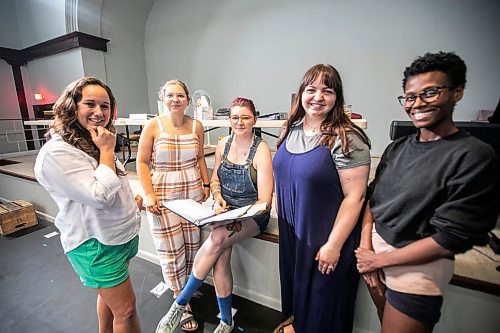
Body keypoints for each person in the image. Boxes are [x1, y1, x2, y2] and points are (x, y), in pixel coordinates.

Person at [355, 52, 500, 333]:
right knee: (385, 321)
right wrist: (365, 249)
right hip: (374, 253)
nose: (417, 103)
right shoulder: (397, 148)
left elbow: (450, 238)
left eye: (429, 93)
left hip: (417, 263)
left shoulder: (473, 156)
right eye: (410, 96)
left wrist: (379, 260)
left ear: (457, 92)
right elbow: (373, 198)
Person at [155, 97, 274, 333]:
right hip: (224, 211)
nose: (240, 122)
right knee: (220, 256)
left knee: (217, 239)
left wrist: (238, 217)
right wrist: (217, 198)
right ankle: (226, 321)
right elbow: (216, 179)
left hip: (253, 215)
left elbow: (265, 201)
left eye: (245, 117)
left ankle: (179, 305)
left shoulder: (261, 149)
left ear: (254, 120)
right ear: (229, 119)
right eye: (235, 117)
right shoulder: (223, 144)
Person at [34, 77, 142, 333]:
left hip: (119, 235)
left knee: (109, 300)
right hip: (96, 243)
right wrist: (107, 150)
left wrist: (131, 202)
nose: (99, 112)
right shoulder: (56, 153)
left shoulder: (91, 138)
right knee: (126, 312)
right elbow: (100, 195)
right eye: (90, 104)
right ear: (72, 106)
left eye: (105, 106)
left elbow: (114, 182)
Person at [272, 64, 371, 333]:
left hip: (325, 242)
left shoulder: (347, 138)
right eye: (311, 89)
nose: (318, 97)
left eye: (327, 91)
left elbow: (355, 197)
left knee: (322, 312)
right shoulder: (290, 130)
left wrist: (334, 246)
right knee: (298, 304)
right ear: (301, 93)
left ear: (337, 97)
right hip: (295, 239)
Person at [136, 79, 210, 332]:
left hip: (191, 189)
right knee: (170, 249)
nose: (175, 100)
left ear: (188, 99)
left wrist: (207, 185)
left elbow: (200, 157)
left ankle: (187, 288)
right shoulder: (153, 126)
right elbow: (142, 163)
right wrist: (148, 195)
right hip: (163, 192)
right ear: (163, 99)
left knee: (191, 243)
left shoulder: (197, 125)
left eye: (180, 95)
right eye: (170, 95)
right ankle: (181, 302)